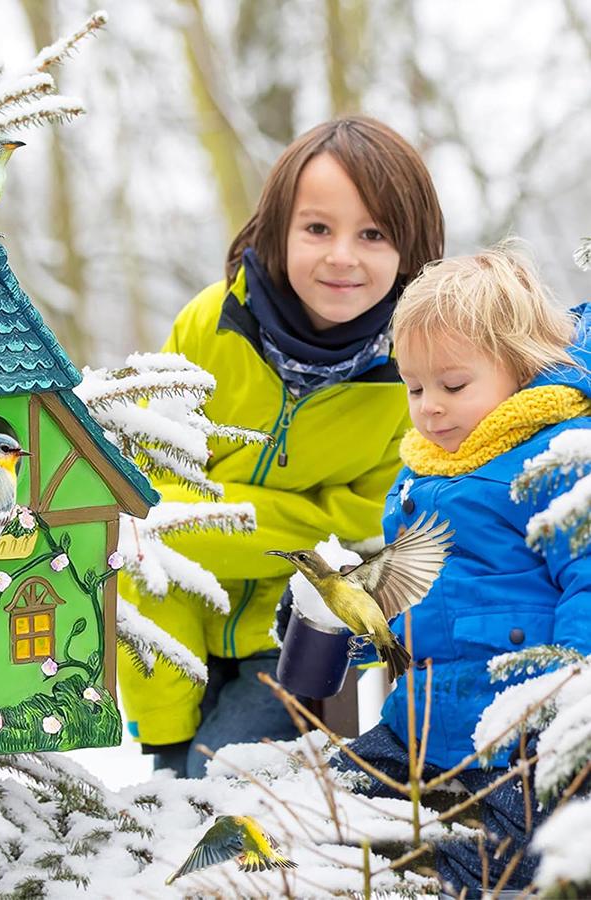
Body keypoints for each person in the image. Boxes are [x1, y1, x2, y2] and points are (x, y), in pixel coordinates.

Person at [117, 116, 445, 778]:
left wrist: (208, 517)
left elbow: (356, 534)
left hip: (301, 643)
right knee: (173, 798)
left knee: (228, 784)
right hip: (174, 625)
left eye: (373, 234)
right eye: (318, 229)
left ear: (411, 250)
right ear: (278, 230)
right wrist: (292, 512)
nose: (342, 256)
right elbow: (144, 508)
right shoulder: (211, 325)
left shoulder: (415, 371)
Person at [335, 244, 591, 895]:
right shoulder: (420, 472)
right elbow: (407, 591)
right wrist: (348, 616)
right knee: (327, 811)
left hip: (515, 741)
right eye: (414, 387)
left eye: (453, 386)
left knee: (493, 866)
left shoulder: (555, 459)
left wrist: (563, 706)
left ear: (521, 369)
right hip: (417, 725)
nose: (430, 407)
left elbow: (586, 576)